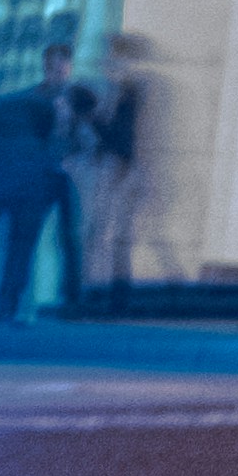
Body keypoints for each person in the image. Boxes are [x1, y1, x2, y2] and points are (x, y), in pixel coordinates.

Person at [0, 37, 84, 325]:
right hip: (37, 182)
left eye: (62, 66)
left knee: (2, 245)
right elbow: (60, 146)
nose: (59, 71)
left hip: (14, 181)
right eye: (55, 66)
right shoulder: (45, 102)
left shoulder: (18, 101)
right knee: (22, 245)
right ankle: (7, 306)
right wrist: (63, 128)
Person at [79, 47, 149, 298]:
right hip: (118, 164)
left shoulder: (126, 95)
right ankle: (112, 290)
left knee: (103, 228)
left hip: (116, 165)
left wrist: (91, 118)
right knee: (111, 229)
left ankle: (96, 288)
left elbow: (118, 136)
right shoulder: (126, 94)